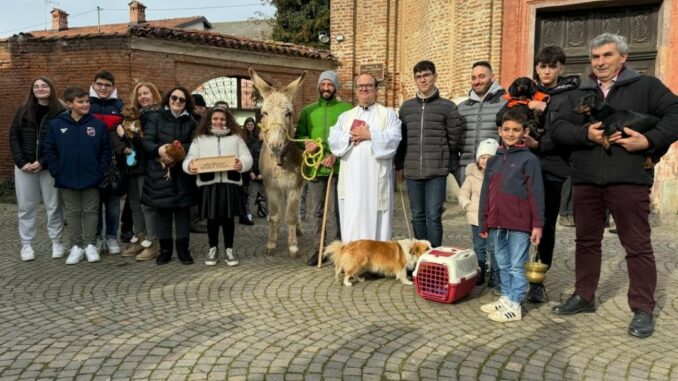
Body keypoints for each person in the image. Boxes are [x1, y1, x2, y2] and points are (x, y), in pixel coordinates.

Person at [550, 33, 678, 338]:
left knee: (637, 245)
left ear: (623, 57)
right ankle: (584, 296)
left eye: (607, 55)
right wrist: (586, 136)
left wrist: (649, 140)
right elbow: (557, 129)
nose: (600, 62)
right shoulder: (578, 91)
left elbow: (676, 114)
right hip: (586, 181)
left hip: (629, 180)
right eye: (595, 57)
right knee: (586, 242)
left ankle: (643, 308)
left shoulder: (646, 87)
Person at [517, 46, 581, 303]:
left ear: (561, 69)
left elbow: (569, 134)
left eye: (552, 66)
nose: (546, 71)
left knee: (546, 226)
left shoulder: (569, 96)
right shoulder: (527, 91)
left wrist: (541, 137)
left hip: (553, 168)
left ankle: (538, 279)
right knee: (521, 222)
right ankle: (514, 272)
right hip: (525, 168)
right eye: (542, 66)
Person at [478, 108, 544, 322]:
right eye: (506, 129)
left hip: (519, 223)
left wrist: (538, 225)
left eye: (516, 129)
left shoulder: (529, 160)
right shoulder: (494, 160)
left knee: (516, 264)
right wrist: (484, 221)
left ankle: (515, 303)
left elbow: (536, 193)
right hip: (497, 221)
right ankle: (505, 297)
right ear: (499, 130)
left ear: (525, 132)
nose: (510, 133)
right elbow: (486, 192)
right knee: (503, 262)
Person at [328, 73, 402, 242]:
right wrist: (349, 136)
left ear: (376, 89)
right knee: (353, 217)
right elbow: (333, 139)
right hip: (352, 182)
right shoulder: (346, 117)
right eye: (361, 86)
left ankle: (377, 261)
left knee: (377, 218)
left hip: (376, 181)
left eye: (369, 85)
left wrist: (370, 135)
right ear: (356, 90)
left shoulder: (388, 114)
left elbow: (395, 138)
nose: (364, 89)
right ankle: (354, 262)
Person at [43, 86, 111, 264]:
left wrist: (100, 169)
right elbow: (49, 150)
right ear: (69, 104)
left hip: (92, 176)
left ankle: (89, 245)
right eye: (80, 101)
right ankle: (76, 246)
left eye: (87, 101)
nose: (85, 104)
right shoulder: (56, 125)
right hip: (66, 177)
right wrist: (57, 170)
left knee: (91, 211)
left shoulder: (97, 125)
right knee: (72, 212)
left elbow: (105, 150)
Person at [395, 60, 460, 248]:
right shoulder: (406, 108)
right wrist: (399, 166)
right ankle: (420, 257)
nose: (422, 80)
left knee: (433, 216)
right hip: (413, 171)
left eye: (426, 75)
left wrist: (447, 164)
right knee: (417, 216)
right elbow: (402, 140)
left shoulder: (447, 107)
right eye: (418, 76)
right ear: (415, 80)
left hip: (436, 173)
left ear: (434, 76)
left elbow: (454, 139)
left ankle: (435, 257)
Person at [184, 107, 253, 266]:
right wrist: (190, 167)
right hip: (210, 185)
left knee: (228, 219)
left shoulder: (236, 138)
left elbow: (247, 157)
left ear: (227, 121)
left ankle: (229, 249)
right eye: (215, 119)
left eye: (222, 119)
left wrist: (241, 164)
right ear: (209, 120)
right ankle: (213, 248)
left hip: (229, 184)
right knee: (212, 219)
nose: (218, 122)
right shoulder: (200, 139)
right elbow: (190, 158)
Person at [296, 70, 352, 265]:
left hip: (337, 170)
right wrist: (306, 143)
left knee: (335, 212)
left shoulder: (346, 109)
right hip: (315, 169)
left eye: (330, 85)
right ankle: (318, 250)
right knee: (317, 211)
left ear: (336, 87)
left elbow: (350, 137)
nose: (326, 88)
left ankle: (337, 251)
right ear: (318, 86)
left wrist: (335, 155)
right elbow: (299, 135)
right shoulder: (308, 111)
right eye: (323, 84)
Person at [10, 77, 66, 261]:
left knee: (54, 206)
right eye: (36, 86)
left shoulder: (60, 111)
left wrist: (43, 162)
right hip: (24, 168)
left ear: (51, 88)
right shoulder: (23, 110)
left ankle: (57, 242)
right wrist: (21, 162)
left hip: (48, 167)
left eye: (44, 86)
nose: (40, 89)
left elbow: (61, 142)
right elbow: (14, 137)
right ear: (32, 90)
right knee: (26, 207)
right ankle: (26, 246)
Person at [142, 87, 197, 265]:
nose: (177, 102)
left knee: (182, 214)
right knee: (162, 214)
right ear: (168, 99)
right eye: (174, 98)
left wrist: (180, 151)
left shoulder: (191, 121)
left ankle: (183, 250)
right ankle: (165, 250)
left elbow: (196, 144)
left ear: (186, 103)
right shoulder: (155, 117)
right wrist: (159, 150)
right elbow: (147, 142)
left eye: (182, 100)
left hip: (182, 174)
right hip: (159, 172)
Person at [118, 82, 163, 261]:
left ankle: (153, 243)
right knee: (134, 205)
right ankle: (141, 238)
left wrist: (126, 135)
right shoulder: (135, 115)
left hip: (148, 166)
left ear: (154, 95)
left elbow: (147, 142)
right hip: (133, 166)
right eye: (140, 94)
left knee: (146, 206)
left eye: (146, 93)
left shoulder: (156, 115)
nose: (143, 97)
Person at [89, 70, 125, 255]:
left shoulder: (119, 105)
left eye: (107, 85)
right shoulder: (86, 103)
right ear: (94, 84)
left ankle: (111, 237)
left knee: (112, 203)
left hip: (113, 162)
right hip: (91, 162)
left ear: (113, 87)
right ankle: (96, 238)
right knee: (94, 203)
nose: (103, 88)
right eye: (100, 84)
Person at [454, 61, 506, 186]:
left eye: (482, 76)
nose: (477, 81)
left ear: (492, 77)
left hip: (495, 170)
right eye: (473, 78)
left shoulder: (504, 104)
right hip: (466, 171)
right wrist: (455, 168)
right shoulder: (461, 108)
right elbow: (453, 139)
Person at [458, 138, 498, 286]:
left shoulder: (498, 176)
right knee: (479, 247)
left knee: (493, 248)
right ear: (478, 159)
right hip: (476, 219)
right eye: (483, 157)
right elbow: (463, 193)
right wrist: (468, 206)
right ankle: (480, 271)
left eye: (489, 158)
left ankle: (495, 274)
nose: (485, 161)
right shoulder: (471, 176)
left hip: (494, 219)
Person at [243, 117, 264, 221]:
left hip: (262, 172)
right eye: (248, 124)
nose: (250, 126)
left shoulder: (262, 143)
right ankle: (248, 213)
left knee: (267, 195)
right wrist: (250, 171)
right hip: (251, 170)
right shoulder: (244, 138)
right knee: (251, 194)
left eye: (252, 124)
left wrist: (263, 173)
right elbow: (249, 157)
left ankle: (268, 212)